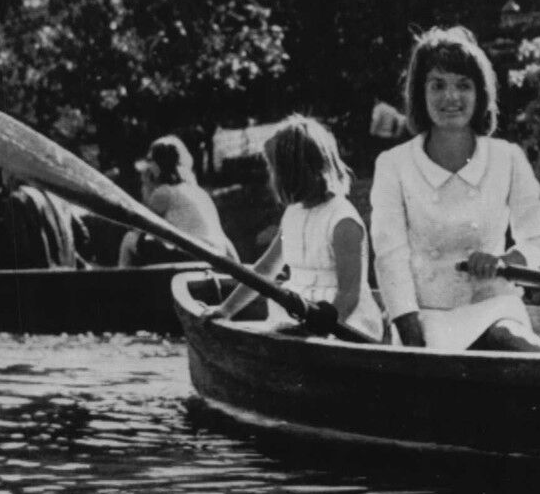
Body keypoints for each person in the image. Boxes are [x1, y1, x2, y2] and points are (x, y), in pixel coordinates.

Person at [370, 26, 540, 353]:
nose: (450, 98)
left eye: (463, 86)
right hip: (426, 317)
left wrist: (505, 258)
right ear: (420, 93)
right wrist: (409, 329)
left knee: (509, 340)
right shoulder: (393, 165)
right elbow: (390, 258)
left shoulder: (507, 157)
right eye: (437, 85)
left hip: (495, 308)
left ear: (480, 94)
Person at [211, 115, 384, 341]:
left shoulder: (343, 222)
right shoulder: (293, 214)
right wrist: (225, 310)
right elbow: (264, 272)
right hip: (296, 320)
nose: (272, 178)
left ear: (293, 172)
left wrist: (317, 334)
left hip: (341, 325)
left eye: (275, 170)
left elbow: (349, 294)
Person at [117, 135, 236, 265]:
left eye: (150, 161)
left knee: (129, 239)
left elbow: (141, 226)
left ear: (158, 166)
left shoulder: (164, 193)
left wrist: (147, 186)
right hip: (217, 252)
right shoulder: (198, 191)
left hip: (194, 253)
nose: (148, 167)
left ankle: (123, 280)